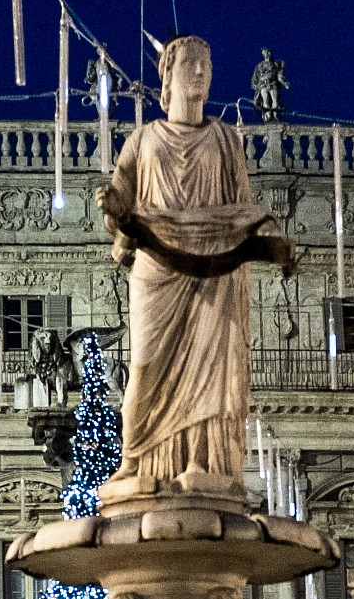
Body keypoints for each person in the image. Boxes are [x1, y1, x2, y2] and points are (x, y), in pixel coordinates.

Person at [94, 36, 293, 506]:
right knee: (143, 367)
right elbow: (121, 195)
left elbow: (241, 209)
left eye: (207, 63)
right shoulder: (142, 141)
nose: (201, 72)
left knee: (215, 373)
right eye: (191, 64)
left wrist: (270, 237)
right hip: (157, 271)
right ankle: (137, 461)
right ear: (169, 74)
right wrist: (113, 202)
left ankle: (205, 465)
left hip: (216, 272)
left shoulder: (225, 139)